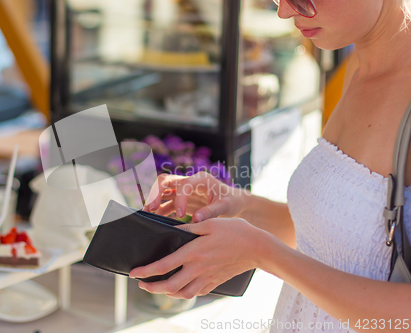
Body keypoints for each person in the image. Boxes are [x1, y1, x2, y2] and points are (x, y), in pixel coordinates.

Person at [129, 0, 411, 331]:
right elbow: (335, 238)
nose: (284, 12)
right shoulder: (357, 67)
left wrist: (263, 253)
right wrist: (238, 206)